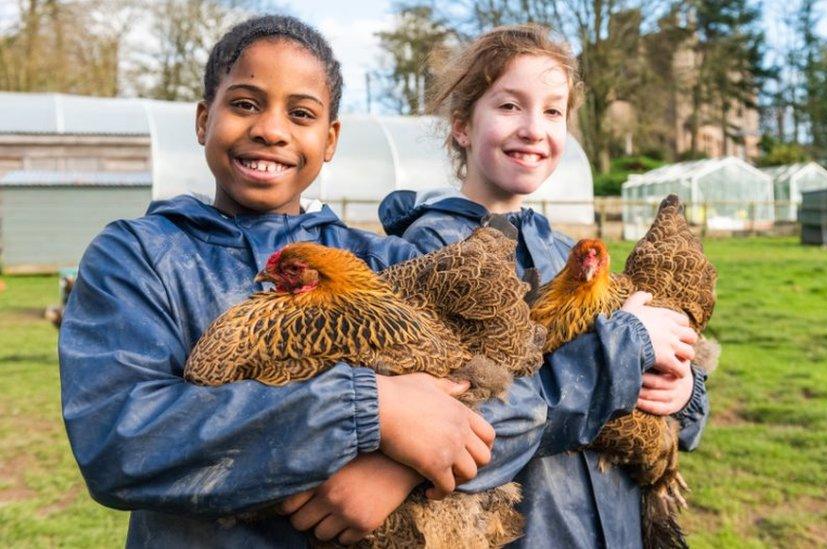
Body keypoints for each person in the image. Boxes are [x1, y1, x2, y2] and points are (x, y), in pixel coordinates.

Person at [59, 15, 546, 547]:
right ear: (203, 120)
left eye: (301, 113)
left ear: (330, 138)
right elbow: (120, 440)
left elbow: (519, 397)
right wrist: (369, 410)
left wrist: (401, 469)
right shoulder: (142, 256)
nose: (271, 129)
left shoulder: (388, 261)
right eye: (245, 104)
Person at [379, 24, 710, 548]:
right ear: (462, 125)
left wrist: (682, 391)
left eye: (553, 111)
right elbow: (477, 415)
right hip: (522, 529)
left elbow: (673, 418)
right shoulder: (432, 255)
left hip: (613, 525)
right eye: (510, 106)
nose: (535, 128)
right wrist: (628, 345)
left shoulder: (568, 252)